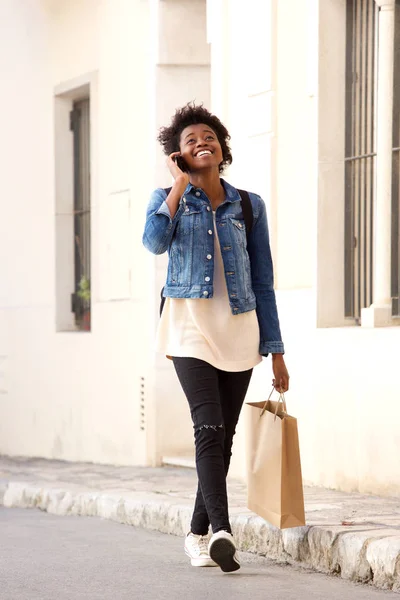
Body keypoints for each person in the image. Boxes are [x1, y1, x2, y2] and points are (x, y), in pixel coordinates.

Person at [142, 103, 289, 573]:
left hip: (239, 330)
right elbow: (153, 242)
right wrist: (180, 183)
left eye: (208, 136)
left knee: (222, 438)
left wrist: (277, 349)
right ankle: (224, 530)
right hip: (188, 328)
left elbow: (263, 280)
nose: (201, 142)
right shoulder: (166, 197)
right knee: (207, 426)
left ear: (222, 147)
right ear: (177, 155)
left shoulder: (248, 204)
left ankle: (197, 533)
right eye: (190, 140)